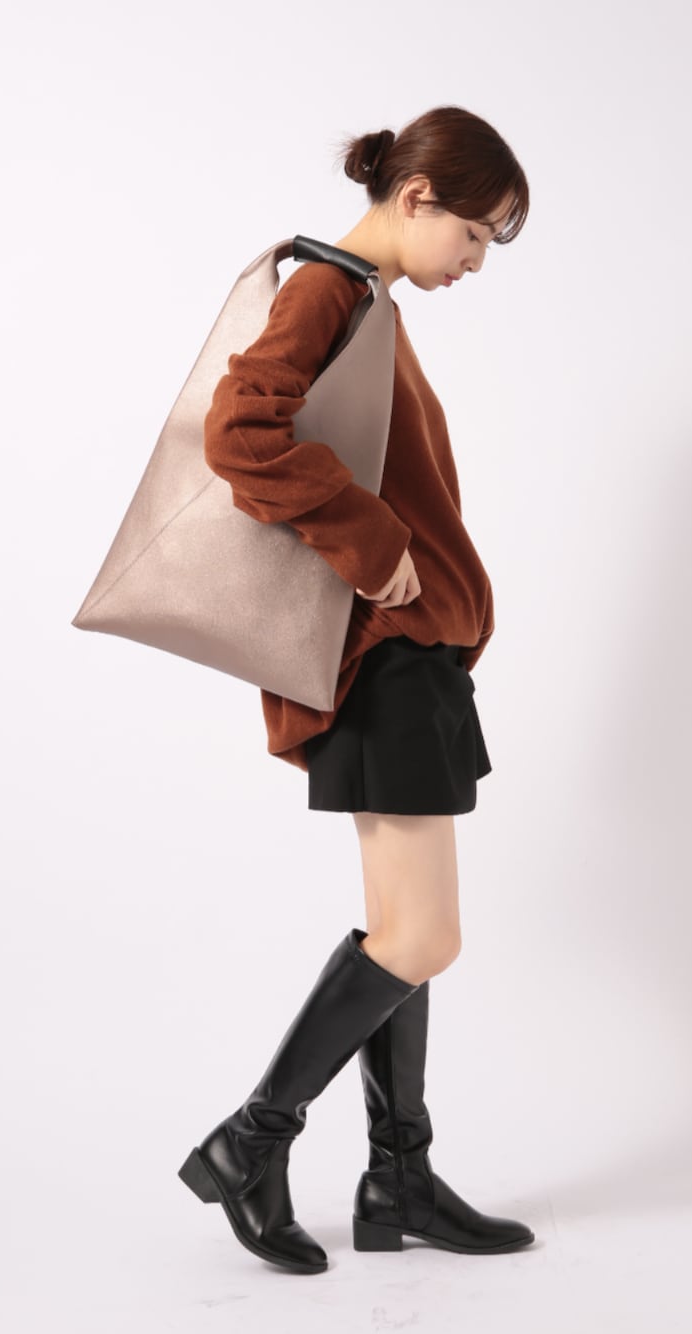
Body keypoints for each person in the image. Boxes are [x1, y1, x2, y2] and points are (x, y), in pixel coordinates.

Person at [177, 105, 533, 1274]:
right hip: (384, 657)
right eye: (474, 234)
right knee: (426, 935)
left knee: (401, 936)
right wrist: (374, 546)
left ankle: (397, 1175)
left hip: (399, 657)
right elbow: (241, 431)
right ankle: (251, 1139)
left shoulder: (365, 302)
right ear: (417, 196)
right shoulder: (328, 288)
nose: (474, 261)